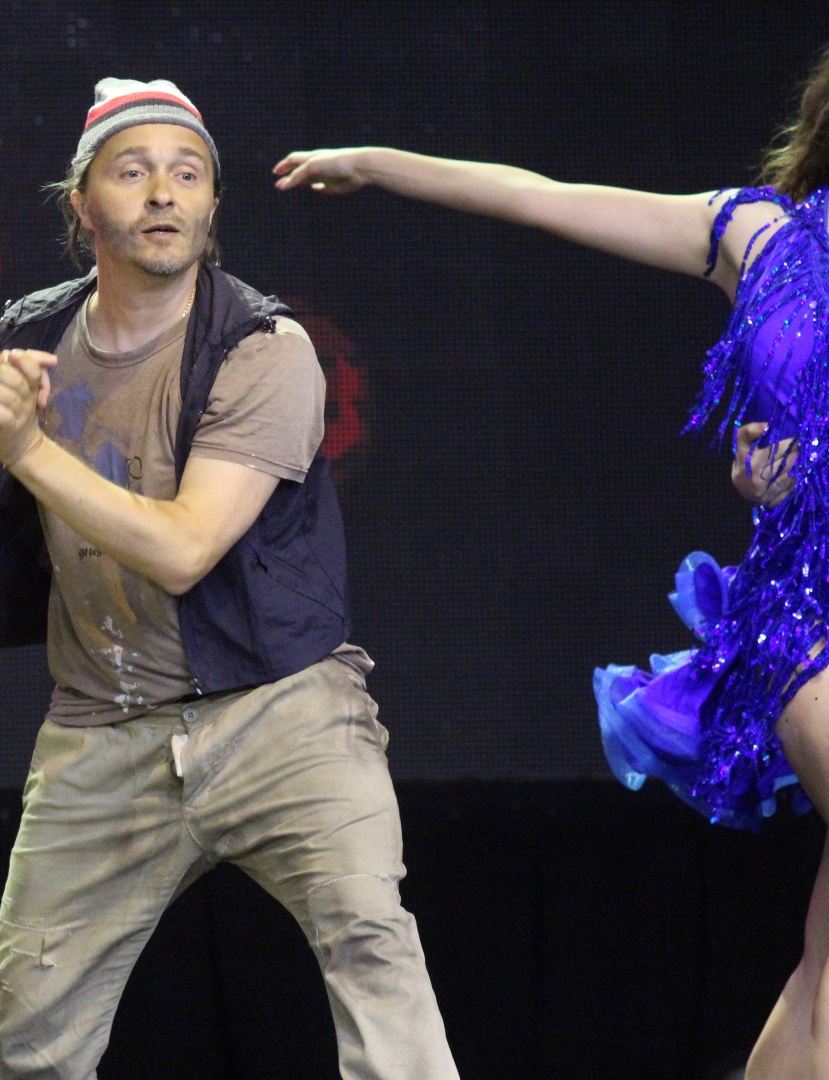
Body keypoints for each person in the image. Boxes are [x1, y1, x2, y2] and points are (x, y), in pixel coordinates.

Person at [273, 43, 829, 1077]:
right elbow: (545, 197)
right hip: (806, 625)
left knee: (820, 966)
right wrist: (378, 162)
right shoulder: (761, 236)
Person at [0, 77, 459, 1079]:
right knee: (27, 1043)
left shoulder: (265, 349)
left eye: (187, 174)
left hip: (279, 714)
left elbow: (184, 548)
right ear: (82, 207)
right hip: (103, 728)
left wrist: (26, 452)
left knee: (372, 948)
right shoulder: (34, 338)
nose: (163, 193)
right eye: (133, 172)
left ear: (210, 205)